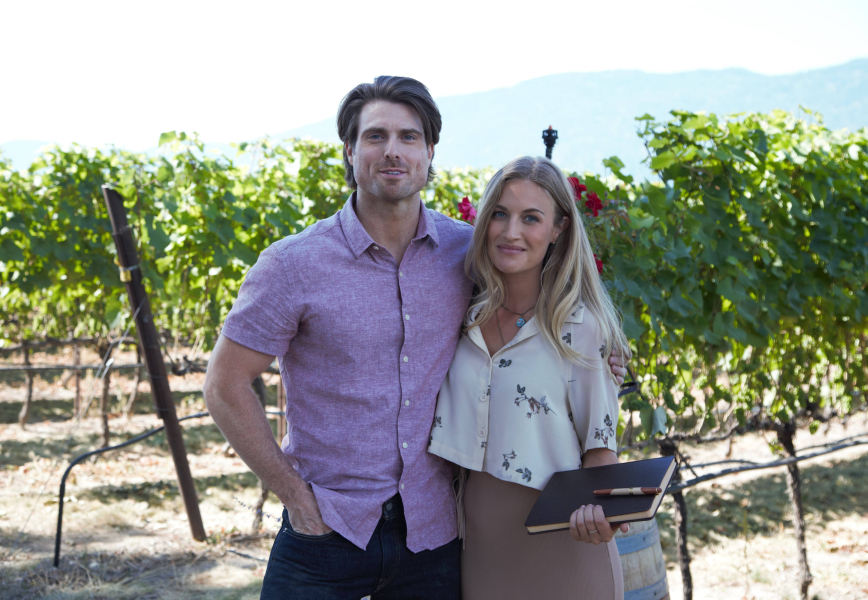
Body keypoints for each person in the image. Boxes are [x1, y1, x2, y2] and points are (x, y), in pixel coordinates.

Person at [204, 76, 629, 599]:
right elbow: (224, 385)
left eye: (409, 137)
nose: (393, 150)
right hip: (327, 531)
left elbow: (539, 316)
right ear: (349, 151)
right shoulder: (293, 265)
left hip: (433, 538)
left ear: (430, 153)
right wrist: (294, 496)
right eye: (375, 136)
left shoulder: (466, 254)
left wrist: (598, 358)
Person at [428, 156, 629, 600]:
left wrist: (602, 513)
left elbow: (600, 448)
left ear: (559, 229)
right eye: (500, 213)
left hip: (566, 550)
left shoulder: (581, 328)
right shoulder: (461, 314)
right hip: (481, 554)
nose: (511, 231)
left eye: (531, 218)